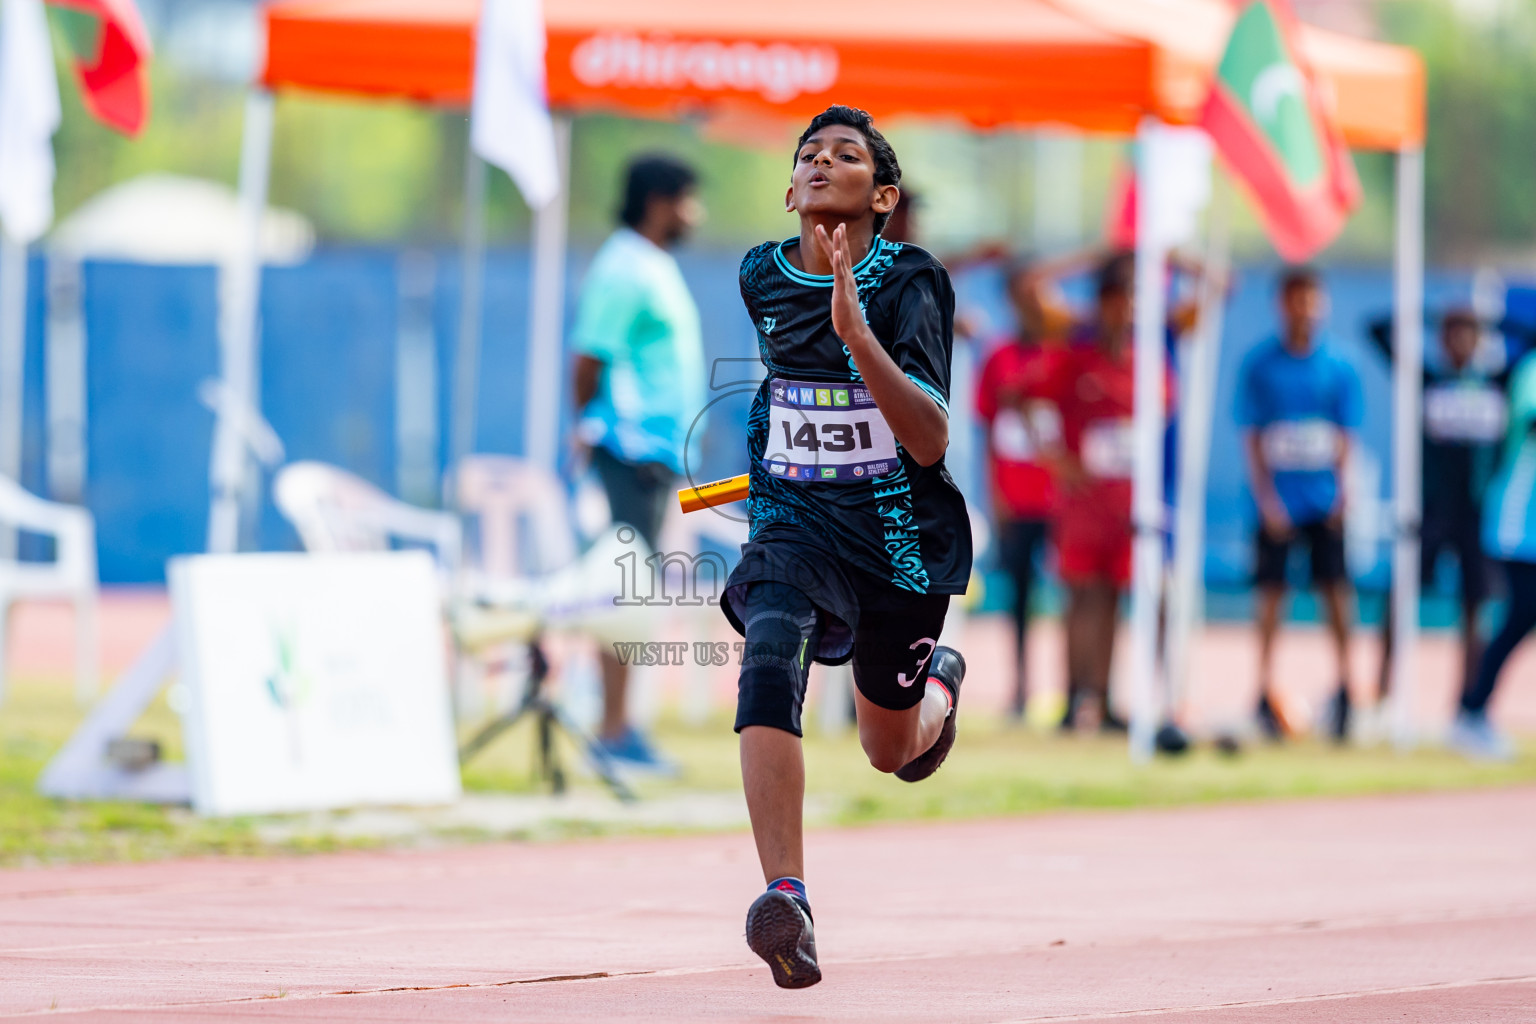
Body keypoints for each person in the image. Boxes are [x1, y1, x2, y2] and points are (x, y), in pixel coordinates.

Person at [724, 105, 971, 988]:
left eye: (848, 155)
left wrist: (856, 331)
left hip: (900, 544)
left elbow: (930, 440)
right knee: (767, 656)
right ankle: (785, 896)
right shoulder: (758, 275)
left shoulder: (913, 282)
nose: (823, 163)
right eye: (808, 156)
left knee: (889, 751)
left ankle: (939, 682)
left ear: (885, 194)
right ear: (790, 188)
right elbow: (785, 394)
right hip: (797, 528)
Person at [571, 154, 706, 772]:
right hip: (629, 453)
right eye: (688, 199)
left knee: (633, 587)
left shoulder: (648, 263)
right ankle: (613, 728)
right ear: (659, 200)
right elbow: (588, 359)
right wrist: (591, 427)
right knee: (623, 588)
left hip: (649, 456)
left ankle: (618, 725)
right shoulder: (625, 267)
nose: (694, 214)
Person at [1034, 252, 1173, 733]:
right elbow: (1023, 400)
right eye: (1118, 299)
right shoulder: (1075, 358)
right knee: (1080, 600)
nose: (1127, 310)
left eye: (1134, 299)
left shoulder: (1150, 364)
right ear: (1103, 304)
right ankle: (1075, 698)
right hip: (1082, 507)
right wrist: (1056, 460)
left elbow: (1156, 425)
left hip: (1128, 507)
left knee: (1115, 598)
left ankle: (1108, 699)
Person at [1370, 309, 1520, 711]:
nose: (1458, 342)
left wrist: (1490, 323)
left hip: (1476, 514)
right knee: (1399, 597)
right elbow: (1377, 328)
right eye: (1451, 334)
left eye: (1467, 334)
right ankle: (1382, 696)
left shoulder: (1495, 384)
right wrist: (1429, 316)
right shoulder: (1428, 381)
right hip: (1431, 513)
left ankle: (1466, 702)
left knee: (1475, 608)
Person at [1236, 267, 1363, 743]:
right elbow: (1252, 436)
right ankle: (1264, 687)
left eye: (1311, 299)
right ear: (1280, 304)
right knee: (1271, 593)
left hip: (1324, 501)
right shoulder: (1261, 366)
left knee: (1335, 591)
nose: (1304, 308)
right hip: (1279, 504)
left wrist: (1345, 489)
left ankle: (1349, 686)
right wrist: (1266, 498)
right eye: (1295, 299)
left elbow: (1346, 435)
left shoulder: (1339, 366)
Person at [975, 259, 1067, 719]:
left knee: (1074, 593)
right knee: (1020, 597)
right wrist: (996, 497)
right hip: (1017, 498)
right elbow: (987, 431)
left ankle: (1075, 689)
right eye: (1024, 293)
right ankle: (1021, 687)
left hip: (1063, 499)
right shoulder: (999, 357)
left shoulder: (1066, 352)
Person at [1453, 345, 1536, 760]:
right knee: (1520, 616)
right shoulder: (1531, 372)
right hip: (1521, 526)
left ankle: (1473, 709)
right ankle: (1472, 712)